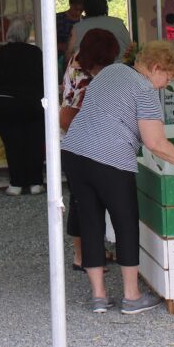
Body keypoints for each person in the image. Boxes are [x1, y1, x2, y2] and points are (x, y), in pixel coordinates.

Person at [61, 41, 174, 314]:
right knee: (125, 222)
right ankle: (131, 296)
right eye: (167, 77)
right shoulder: (144, 90)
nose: (166, 84)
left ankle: (99, 296)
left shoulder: (110, 71)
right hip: (110, 158)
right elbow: (155, 143)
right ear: (156, 67)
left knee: (90, 221)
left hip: (74, 152)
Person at [59, 29, 120, 272]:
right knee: (83, 202)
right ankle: (83, 256)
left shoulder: (78, 58)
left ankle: (90, 252)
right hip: (79, 146)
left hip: (77, 144)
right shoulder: (82, 77)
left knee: (83, 200)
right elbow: (67, 117)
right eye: (105, 61)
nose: (107, 66)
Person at [0, 17, 45, 196]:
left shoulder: (0, 53)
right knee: (33, 143)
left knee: (13, 144)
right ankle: (35, 183)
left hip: (3, 106)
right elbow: (44, 80)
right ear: (27, 35)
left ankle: (16, 184)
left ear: (9, 33)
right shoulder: (35, 53)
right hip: (31, 105)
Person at [65, 0, 132, 63]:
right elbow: (131, 50)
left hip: (88, 71)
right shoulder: (119, 23)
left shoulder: (77, 28)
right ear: (105, 6)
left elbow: (69, 56)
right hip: (119, 70)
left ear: (85, 8)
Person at [56, 0, 87, 76]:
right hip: (58, 62)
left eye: (81, 10)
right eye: (75, 9)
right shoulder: (57, 18)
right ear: (70, 4)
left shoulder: (85, 21)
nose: (78, 12)